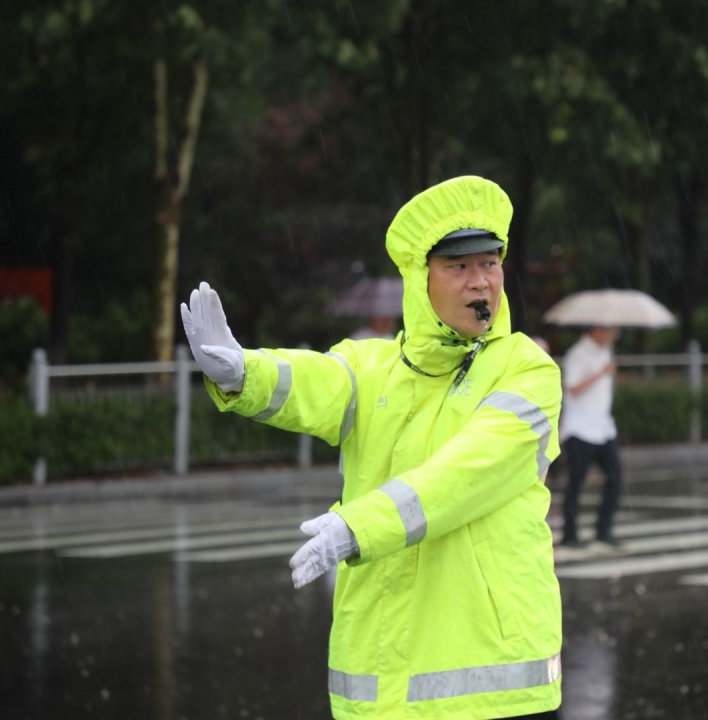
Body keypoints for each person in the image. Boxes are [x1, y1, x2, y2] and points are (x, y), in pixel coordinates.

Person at [181, 175, 563, 719]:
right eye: (458, 267)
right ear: (420, 280)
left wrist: (358, 527)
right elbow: (314, 380)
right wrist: (244, 372)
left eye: (490, 263)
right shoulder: (374, 365)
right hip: (379, 690)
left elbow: (469, 474)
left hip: (494, 692)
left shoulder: (527, 370)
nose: (480, 281)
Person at [557, 326, 624, 549]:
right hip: (580, 428)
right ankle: (570, 535)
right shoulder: (578, 353)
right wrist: (601, 373)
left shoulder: (606, 351)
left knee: (615, 479)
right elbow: (572, 388)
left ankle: (603, 531)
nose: (615, 335)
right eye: (612, 330)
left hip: (603, 427)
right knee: (575, 483)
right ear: (598, 329)